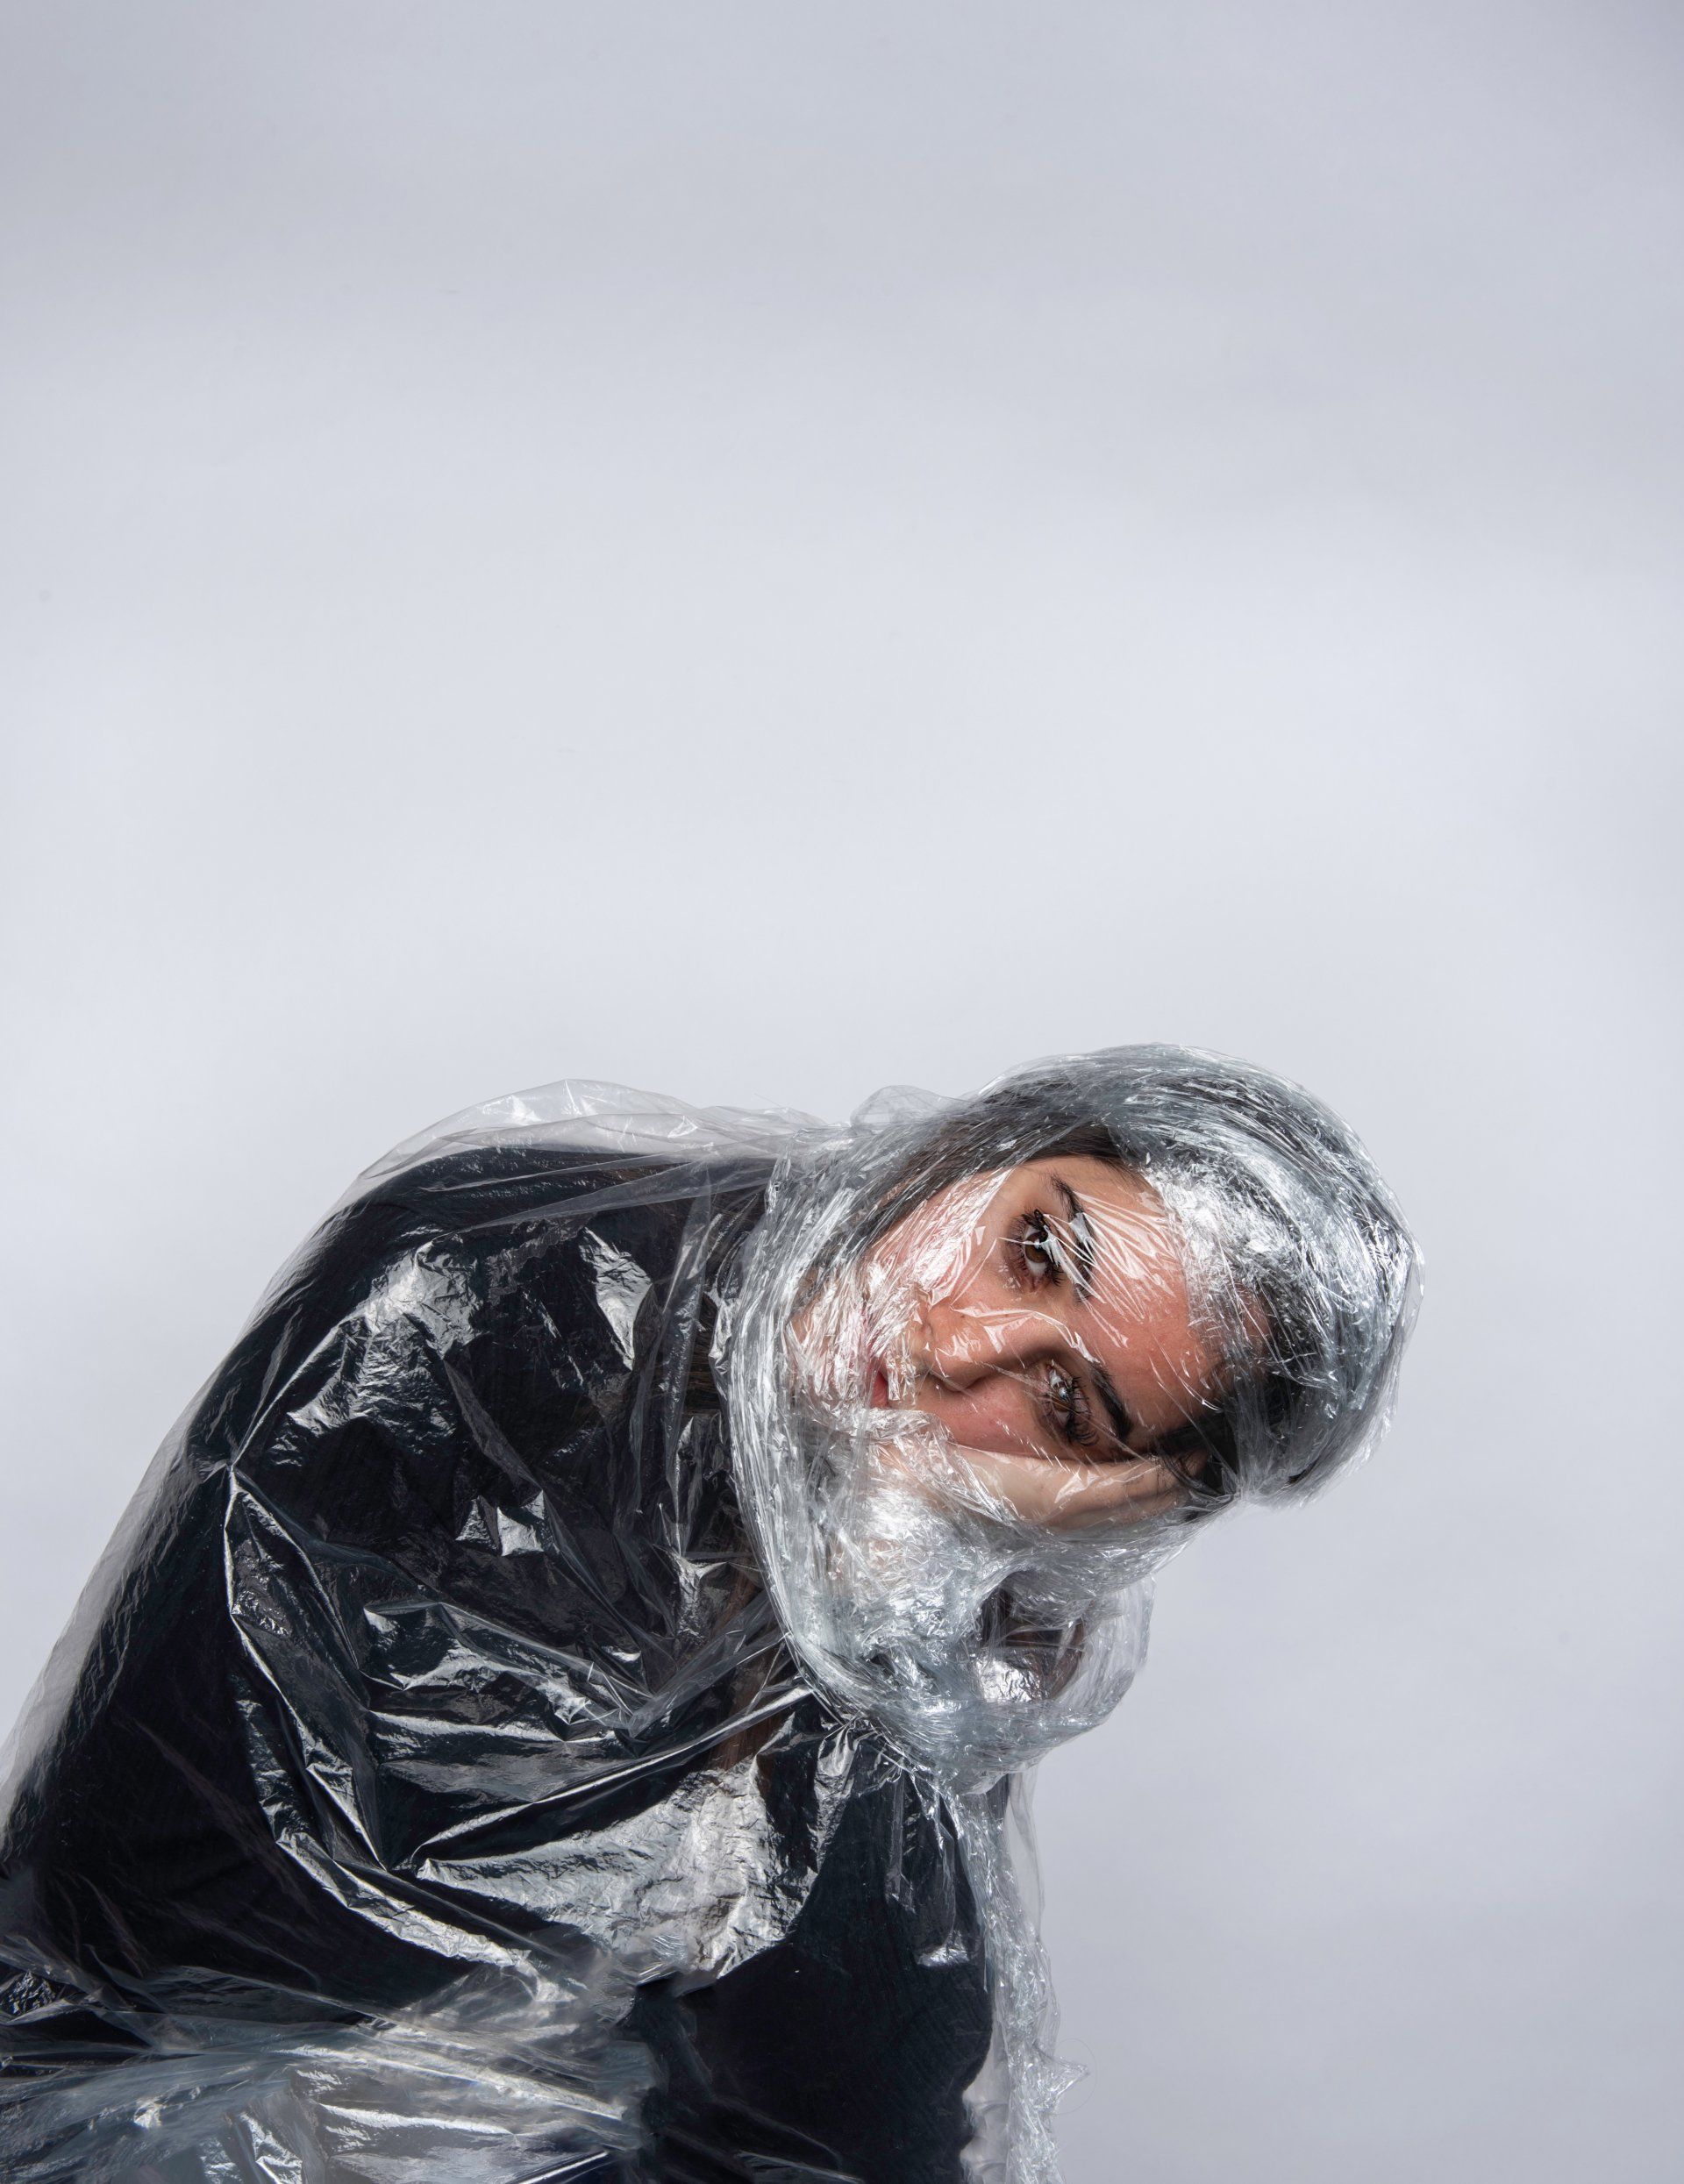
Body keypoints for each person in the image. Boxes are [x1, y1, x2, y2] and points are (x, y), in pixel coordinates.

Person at [0, 1047, 1418, 2184]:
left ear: (1116, 1507)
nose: (959, 1344)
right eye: (1032, 1250)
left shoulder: (930, 1595)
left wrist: (858, 1635)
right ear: (982, 1145)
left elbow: (865, 2128)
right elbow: (129, 1902)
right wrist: (660, 1849)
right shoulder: (488, 1275)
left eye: (1061, 1405)